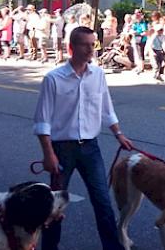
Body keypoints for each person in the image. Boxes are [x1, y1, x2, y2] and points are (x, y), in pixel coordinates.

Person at [34, 26, 133, 250]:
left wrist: (119, 134)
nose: (90, 49)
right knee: (55, 206)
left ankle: (112, 247)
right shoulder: (53, 79)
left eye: (93, 44)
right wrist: (48, 155)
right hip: (61, 150)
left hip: (90, 148)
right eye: (85, 45)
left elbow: (106, 108)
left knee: (103, 202)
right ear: (72, 47)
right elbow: (42, 121)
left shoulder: (97, 74)